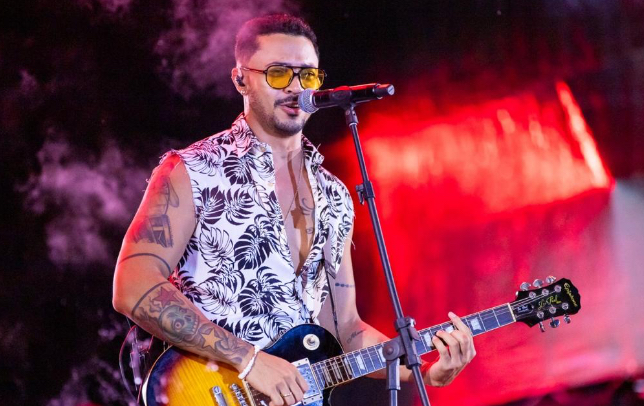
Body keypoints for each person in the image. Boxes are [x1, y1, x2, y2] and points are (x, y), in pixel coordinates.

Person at [112, 14, 476, 406]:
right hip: (206, 392)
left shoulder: (334, 195)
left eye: (308, 75)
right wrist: (249, 360)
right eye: (278, 73)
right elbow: (133, 286)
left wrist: (423, 370)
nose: (296, 87)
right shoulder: (192, 170)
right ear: (241, 80)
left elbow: (346, 329)